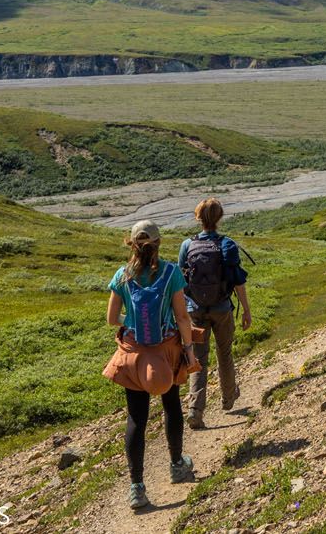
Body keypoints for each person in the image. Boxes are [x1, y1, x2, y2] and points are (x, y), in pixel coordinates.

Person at [102, 219, 200, 511]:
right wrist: (188, 350)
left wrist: (131, 325)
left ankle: (136, 487)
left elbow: (110, 319)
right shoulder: (171, 273)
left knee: (136, 419)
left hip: (133, 354)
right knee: (171, 406)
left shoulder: (122, 275)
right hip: (166, 351)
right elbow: (183, 317)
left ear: (131, 244)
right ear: (158, 244)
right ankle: (177, 465)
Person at [177, 198, 252, 430]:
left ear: (198, 218)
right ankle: (228, 398)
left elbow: (181, 281)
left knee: (198, 358)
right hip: (222, 309)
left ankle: (195, 410)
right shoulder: (227, 245)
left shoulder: (186, 246)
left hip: (195, 310)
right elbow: (238, 281)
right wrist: (246, 310)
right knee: (225, 353)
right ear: (219, 218)